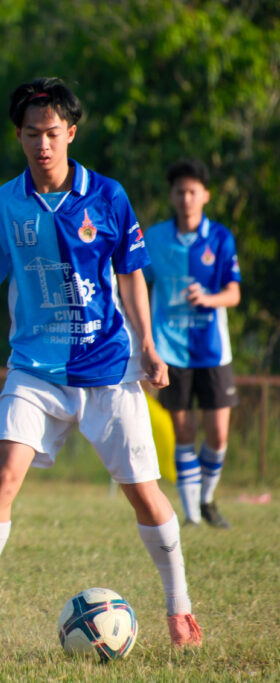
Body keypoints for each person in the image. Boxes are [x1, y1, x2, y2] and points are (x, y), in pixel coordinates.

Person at [0, 78, 202, 647]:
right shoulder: (3, 205)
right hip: (33, 369)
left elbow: (131, 275)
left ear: (71, 133)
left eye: (52, 133)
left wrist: (148, 344)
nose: (43, 144)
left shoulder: (108, 196)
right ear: (19, 136)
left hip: (109, 368)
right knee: (2, 476)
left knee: (143, 493)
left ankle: (179, 611)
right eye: (31, 134)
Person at [143, 159, 240, 529]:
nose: (186, 198)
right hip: (170, 350)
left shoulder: (220, 238)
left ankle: (206, 498)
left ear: (205, 196)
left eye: (192, 192)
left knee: (218, 434)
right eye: (180, 192)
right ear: (172, 196)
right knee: (183, 432)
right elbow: (135, 281)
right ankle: (192, 516)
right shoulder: (155, 238)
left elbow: (234, 293)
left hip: (213, 351)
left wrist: (209, 299)